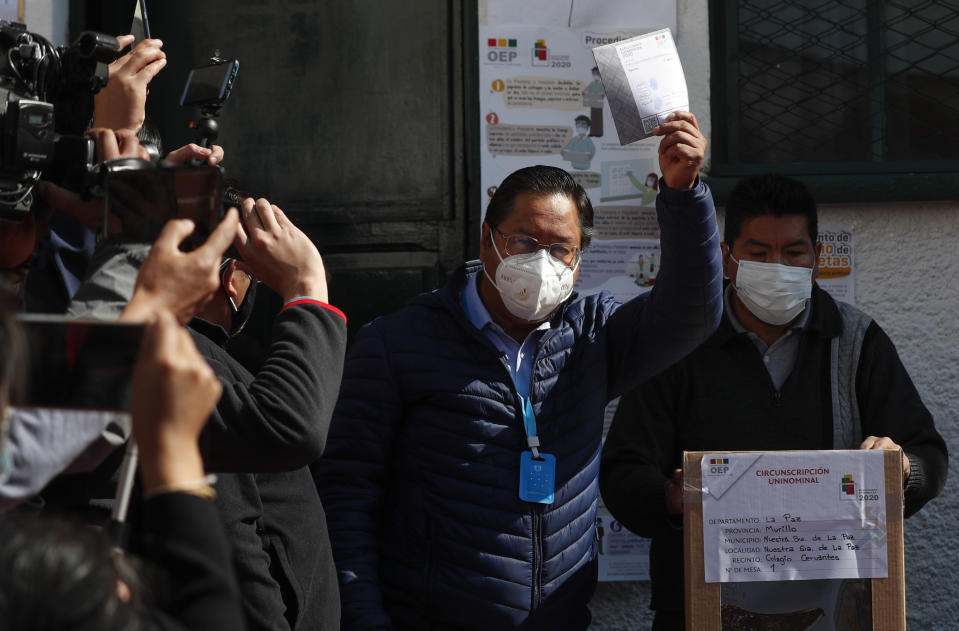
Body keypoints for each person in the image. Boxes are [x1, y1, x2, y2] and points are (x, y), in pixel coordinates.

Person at [315, 111, 723, 630]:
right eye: (525, 242)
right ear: (488, 240)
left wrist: (683, 194)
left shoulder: (594, 335)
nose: (542, 261)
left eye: (561, 249)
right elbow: (346, 497)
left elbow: (693, 313)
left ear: (578, 262)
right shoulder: (398, 343)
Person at [599, 173, 949, 630]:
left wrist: (902, 469)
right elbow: (623, 471)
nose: (777, 265)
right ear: (727, 259)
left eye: (793, 252)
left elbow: (929, 455)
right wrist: (671, 497)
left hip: (836, 606)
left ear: (817, 258)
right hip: (701, 607)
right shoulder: (680, 346)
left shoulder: (858, 341)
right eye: (759, 253)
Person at [0, 288, 246, 630]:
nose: (18, 434)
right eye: (8, 420)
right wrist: (175, 454)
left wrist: (147, 297)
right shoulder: (40, 580)